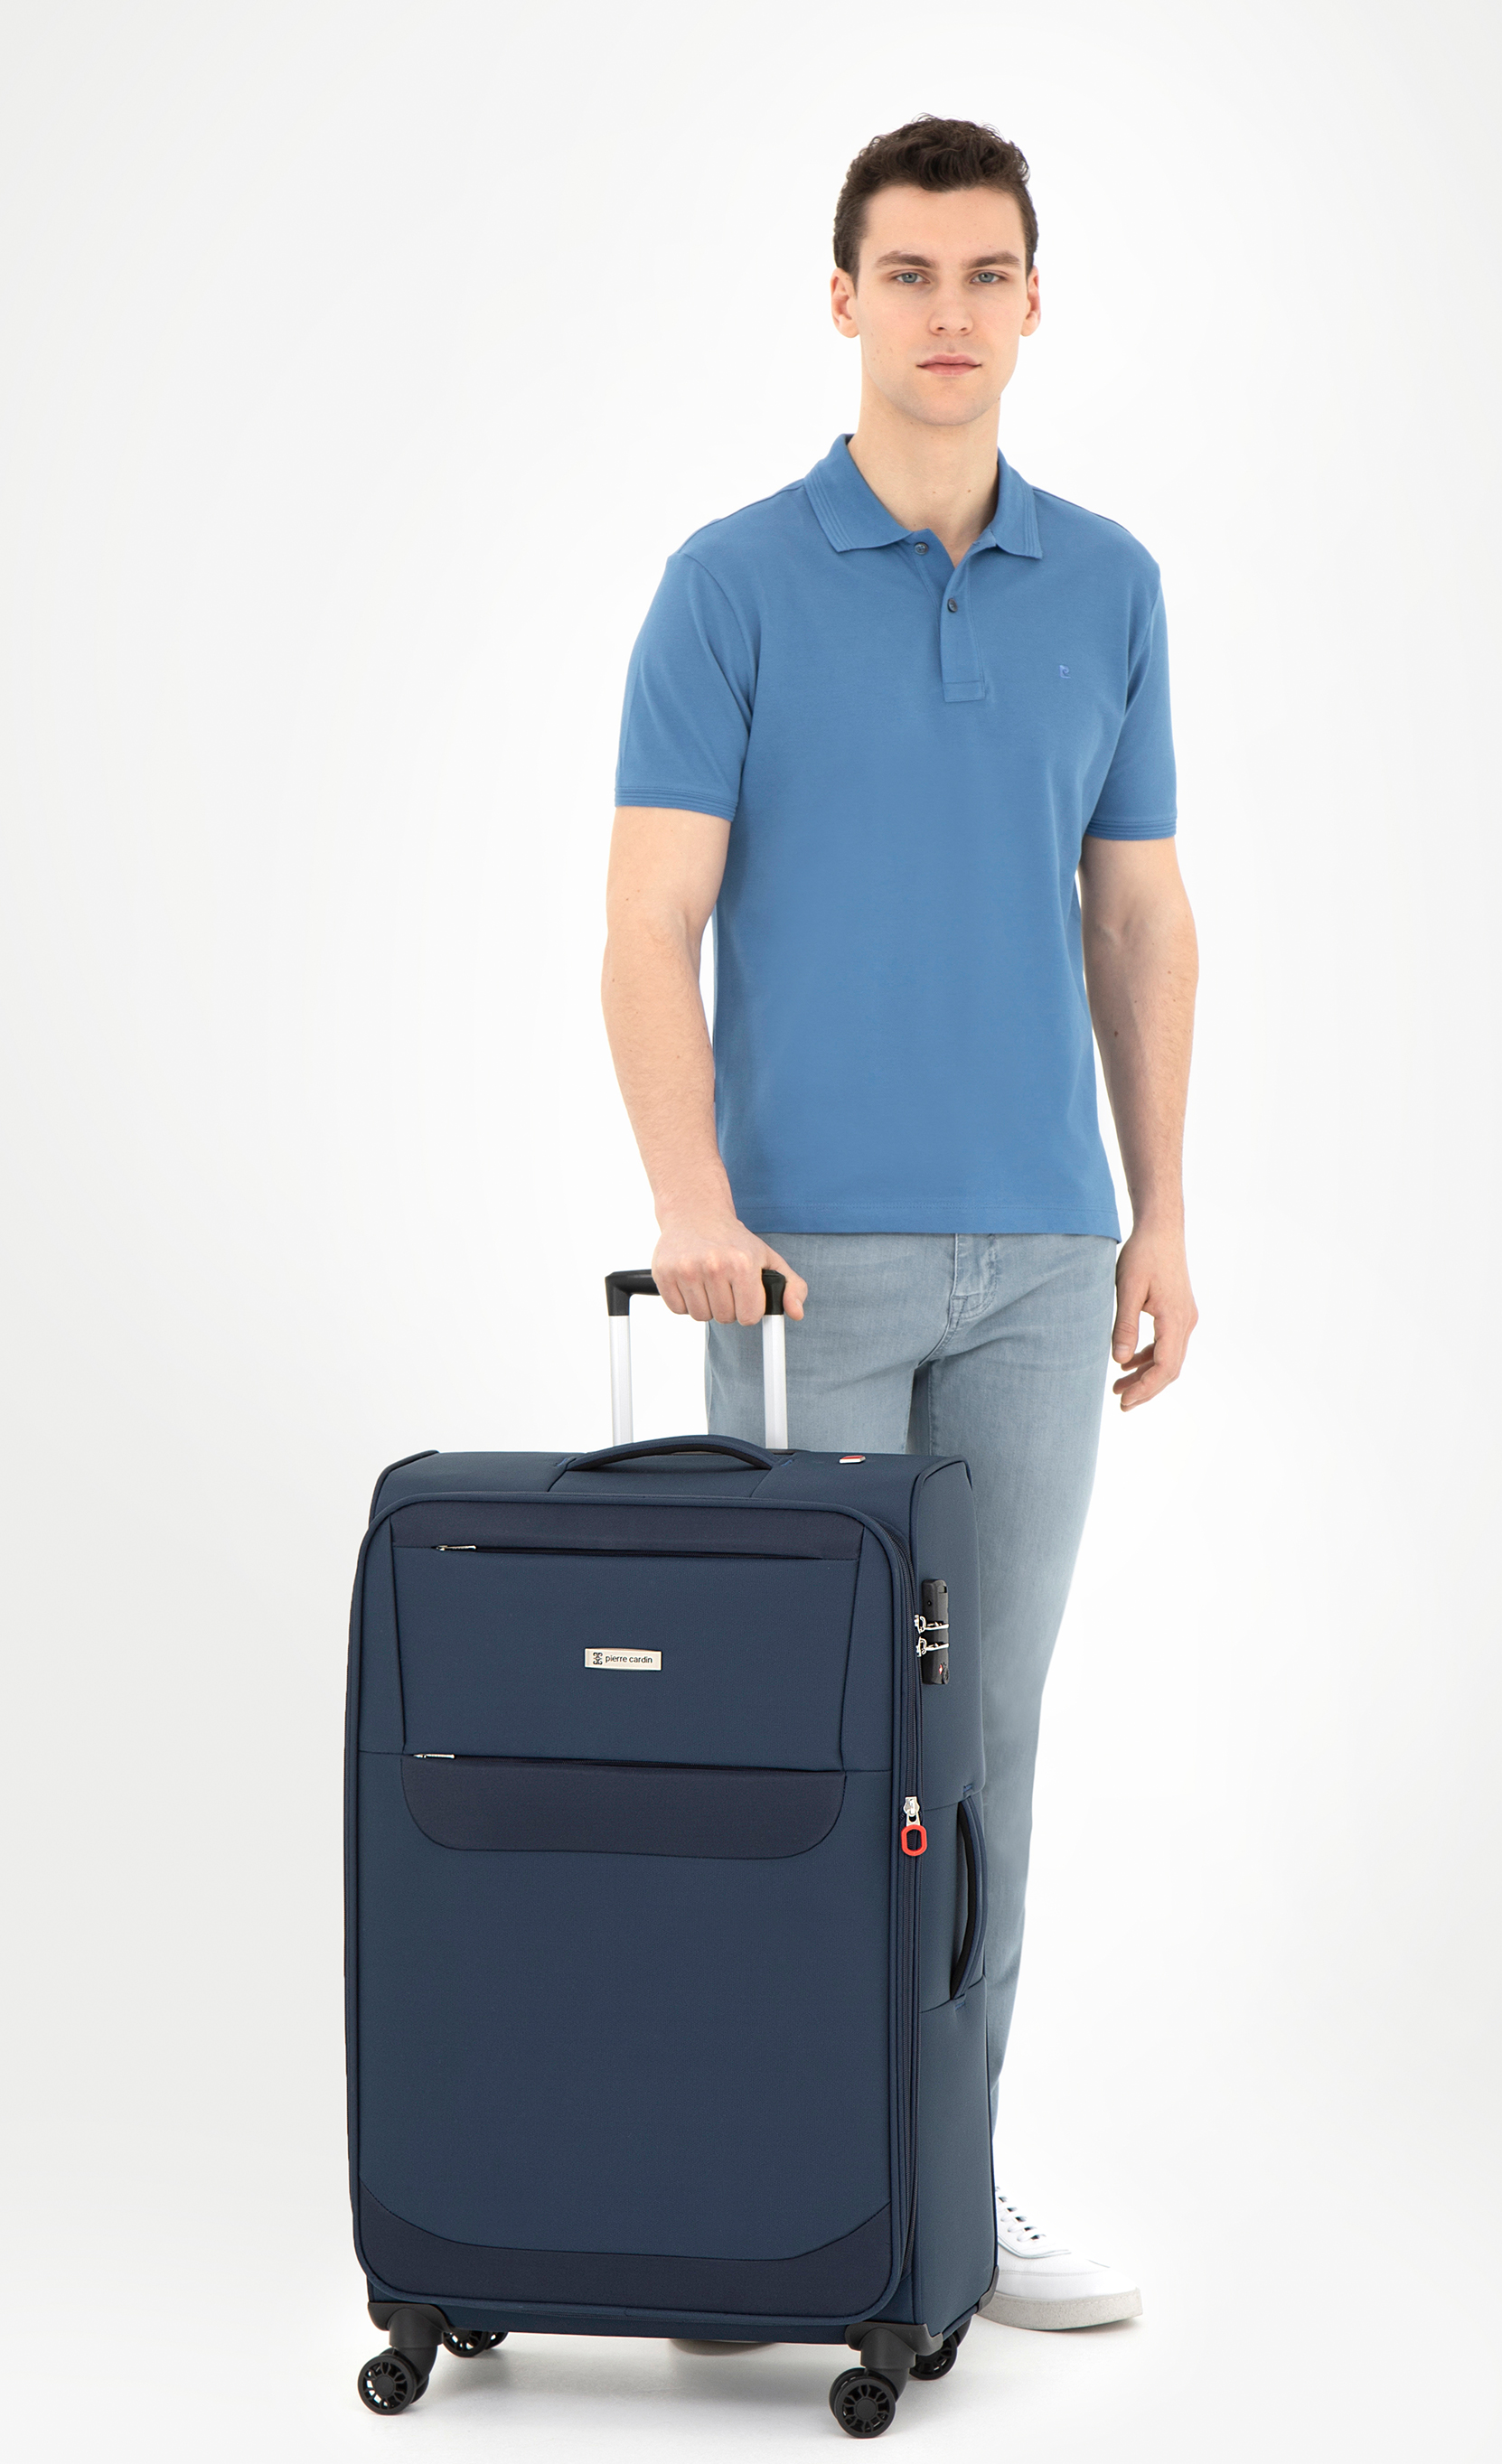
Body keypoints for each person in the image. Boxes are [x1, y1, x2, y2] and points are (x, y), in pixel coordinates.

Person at [602, 115, 1197, 2332]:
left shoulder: (1110, 586)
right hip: (803, 1273)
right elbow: (647, 922)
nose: (952, 313)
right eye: (912, 273)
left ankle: (949, 2173)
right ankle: (750, 2172)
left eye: (988, 273)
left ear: (1035, 304)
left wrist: (1161, 1214)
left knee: (984, 1749)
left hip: (1046, 1263)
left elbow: (1138, 918)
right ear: (844, 299)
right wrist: (692, 1196)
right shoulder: (730, 584)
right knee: (795, 1738)